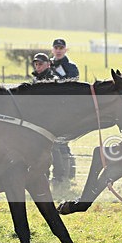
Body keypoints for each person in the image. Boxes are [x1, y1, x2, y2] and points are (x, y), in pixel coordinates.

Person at [48, 39, 78, 183]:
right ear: (52, 49)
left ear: (66, 49)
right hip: (49, 109)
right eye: (56, 47)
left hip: (66, 109)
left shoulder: (71, 67)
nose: (58, 50)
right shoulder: (47, 64)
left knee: (62, 142)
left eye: (61, 47)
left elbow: (72, 86)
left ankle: (67, 175)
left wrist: (58, 78)